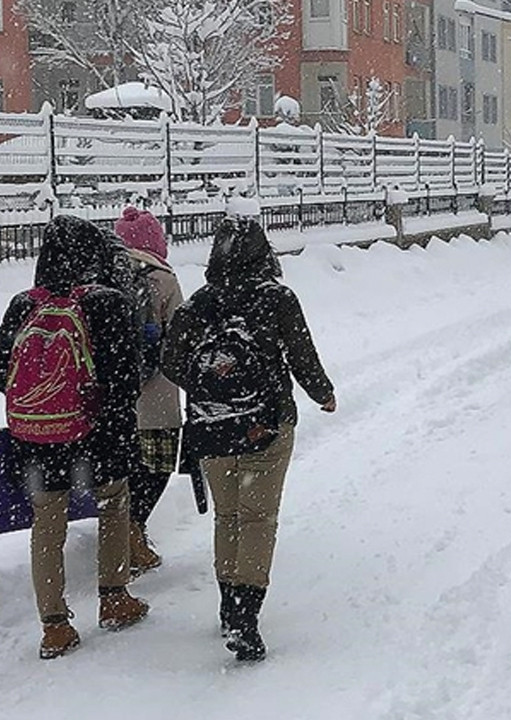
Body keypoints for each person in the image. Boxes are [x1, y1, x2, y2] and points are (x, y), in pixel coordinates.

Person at [162, 212, 336, 663]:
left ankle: (227, 605)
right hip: (266, 423)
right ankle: (246, 616)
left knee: (229, 517)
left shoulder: (198, 304)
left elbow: (170, 360)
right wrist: (323, 394)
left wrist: (206, 387)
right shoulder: (277, 299)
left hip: (211, 426)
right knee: (259, 520)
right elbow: (302, 355)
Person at [0, 215, 149, 660]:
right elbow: (124, 374)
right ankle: (114, 598)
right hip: (97, 435)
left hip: (36, 438)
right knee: (114, 505)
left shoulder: (24, 304)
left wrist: (42, 399)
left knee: (47, 526)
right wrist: (100, 414)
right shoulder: (106, 302)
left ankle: (54, 626)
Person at [114, 206, 184, 575]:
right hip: (156, 394)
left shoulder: (101, 274)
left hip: (113, 395)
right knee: (155, 466)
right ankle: (134, 530)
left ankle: (119, 532)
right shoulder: (163, 278)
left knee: (120, 467)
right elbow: (181, 337)